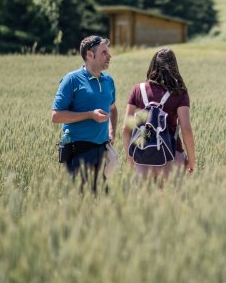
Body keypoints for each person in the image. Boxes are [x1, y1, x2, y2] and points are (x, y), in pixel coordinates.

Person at [51, 36, 117, 193]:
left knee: (102, 205)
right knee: (79, 206)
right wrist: (89, 115)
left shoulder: (109, 81)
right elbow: (56, 116)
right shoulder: (71, 80)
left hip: (102, 152)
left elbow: (113, 108)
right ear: (90, 55)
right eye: (104, 52)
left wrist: (112, 131)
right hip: (78, 152)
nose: (109, 56)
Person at [123, 48, 196, 180]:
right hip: (172, 156)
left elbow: (125, 128)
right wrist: (191, 161)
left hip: (143, 158)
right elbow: (186, 128)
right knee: (172, 200)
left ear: (152, 66)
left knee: (143, 200)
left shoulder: (138, 90)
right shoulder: (179, 92)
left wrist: (130, 158)